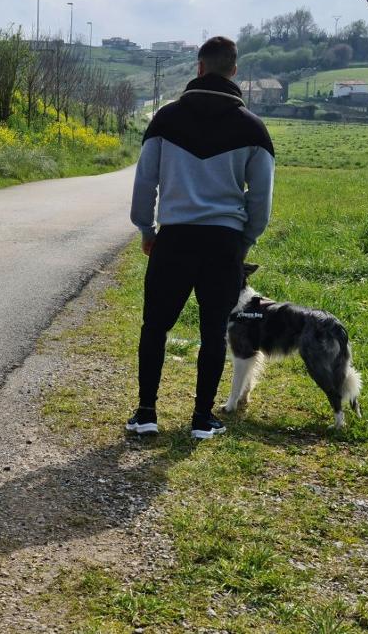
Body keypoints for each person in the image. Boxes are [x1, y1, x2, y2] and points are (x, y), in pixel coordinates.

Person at [127, 36, 275, 440]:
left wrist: (146, 229)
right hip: (223, 243)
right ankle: (201, 419)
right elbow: (260, 200)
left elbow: (145, 183)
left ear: (198, 67)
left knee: (154, 326)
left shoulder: (165, 119)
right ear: (234, 71)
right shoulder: (253, 129)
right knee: (213, 332)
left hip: (173, 240)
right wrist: (244, 240)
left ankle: (145, 413)